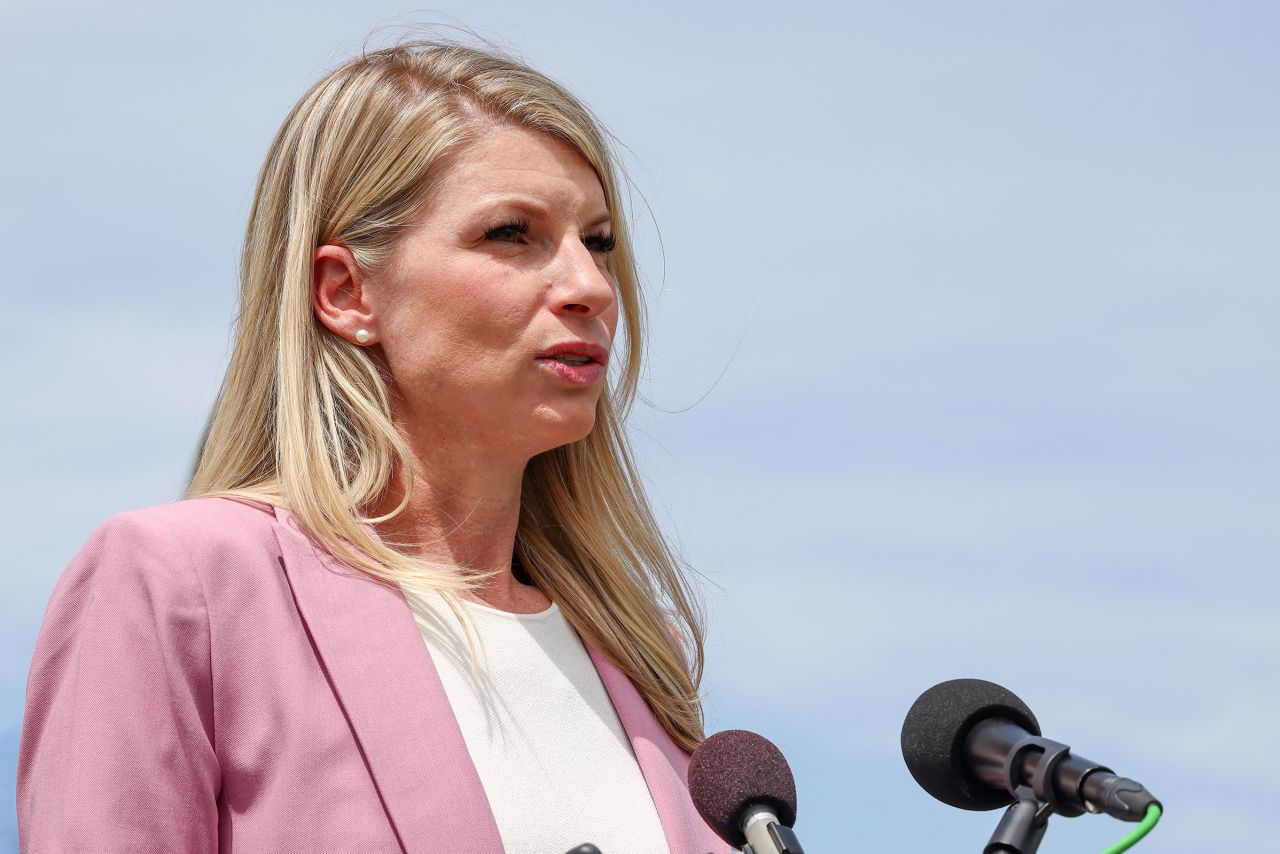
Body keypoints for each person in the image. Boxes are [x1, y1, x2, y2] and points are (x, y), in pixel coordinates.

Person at [18, 38, 729, 854]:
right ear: (346, 292)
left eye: (597, 242)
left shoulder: (644, 656)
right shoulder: (186, 586)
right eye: (511, 234)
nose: (591, 287)